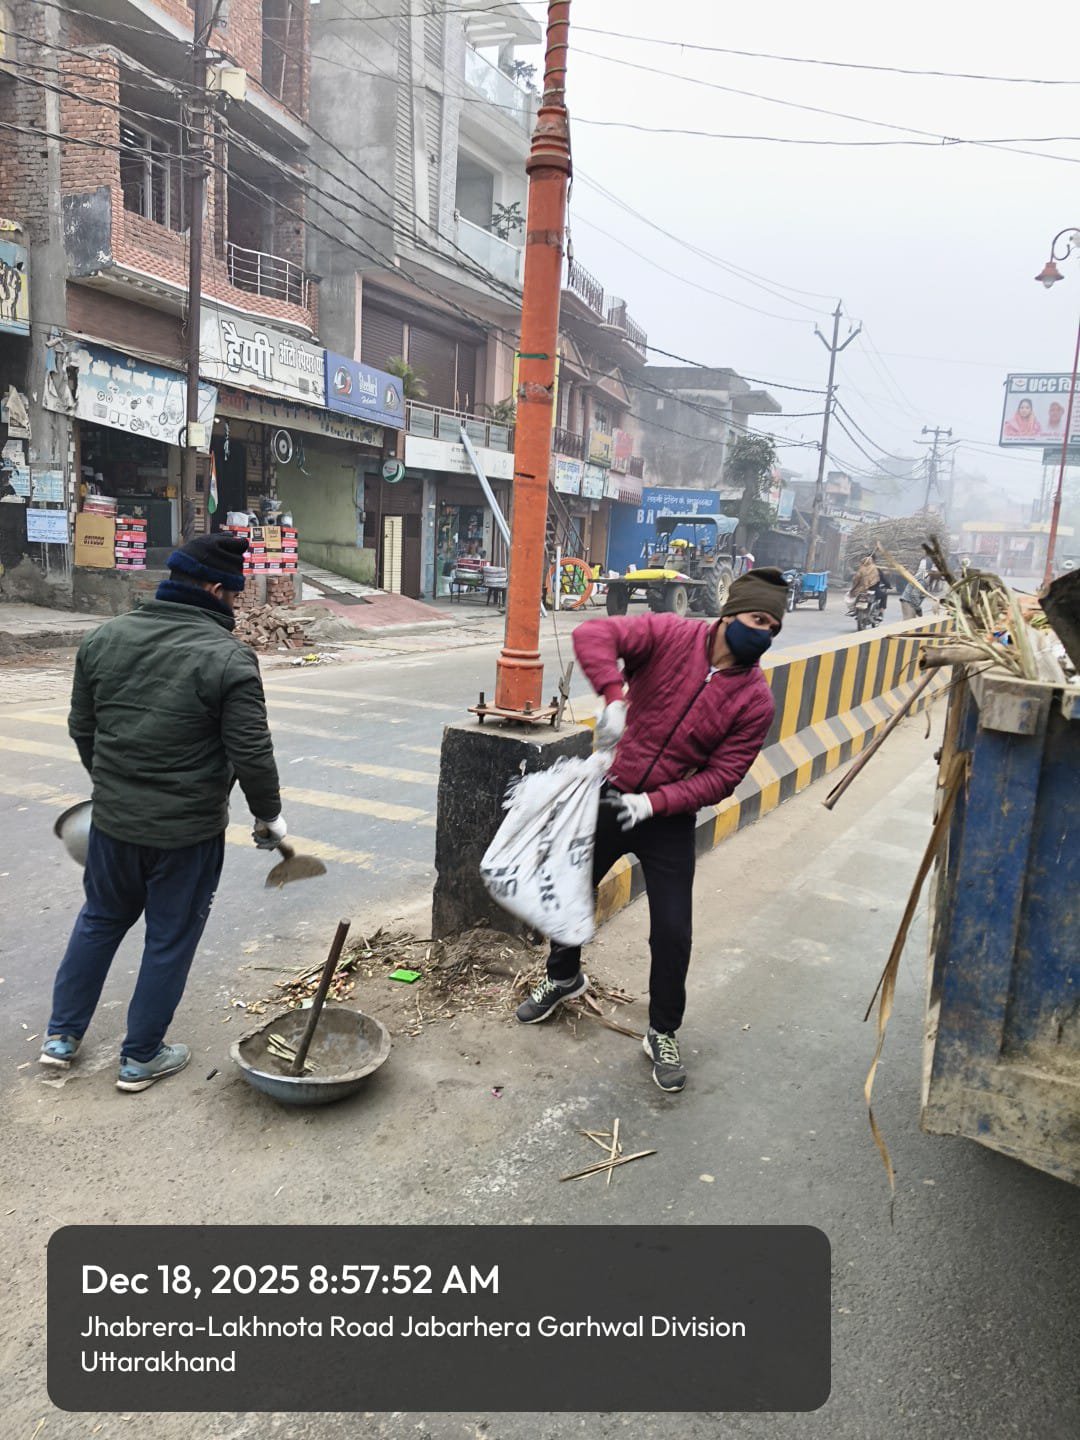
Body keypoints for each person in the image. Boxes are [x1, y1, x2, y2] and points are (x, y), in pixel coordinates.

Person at [515, 568, 788, 1093]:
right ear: (730, 614)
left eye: (773, 628)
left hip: (666, 817)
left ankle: (662, 1030)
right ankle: (563, 977)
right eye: (758, 620)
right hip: (610, 792)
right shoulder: (669, 634)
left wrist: (654, 803)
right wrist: (614, 696)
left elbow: (723, 777)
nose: (764, 634)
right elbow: (593, 634)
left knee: (672, 929)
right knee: (570, 890)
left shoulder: (755, 700)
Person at [39, 534, 287, 1092]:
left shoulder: (104, 638)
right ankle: (140, 1057)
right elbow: (252, 753)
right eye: (234, 596)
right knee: (169, 939)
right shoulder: (228, 658)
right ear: (217, 590)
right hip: (187, 834)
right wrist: (269, 816)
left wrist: (115, 785)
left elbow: (83, 729)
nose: (235, 606)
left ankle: (61, 1037)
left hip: (113, 823)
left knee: (100, 919)